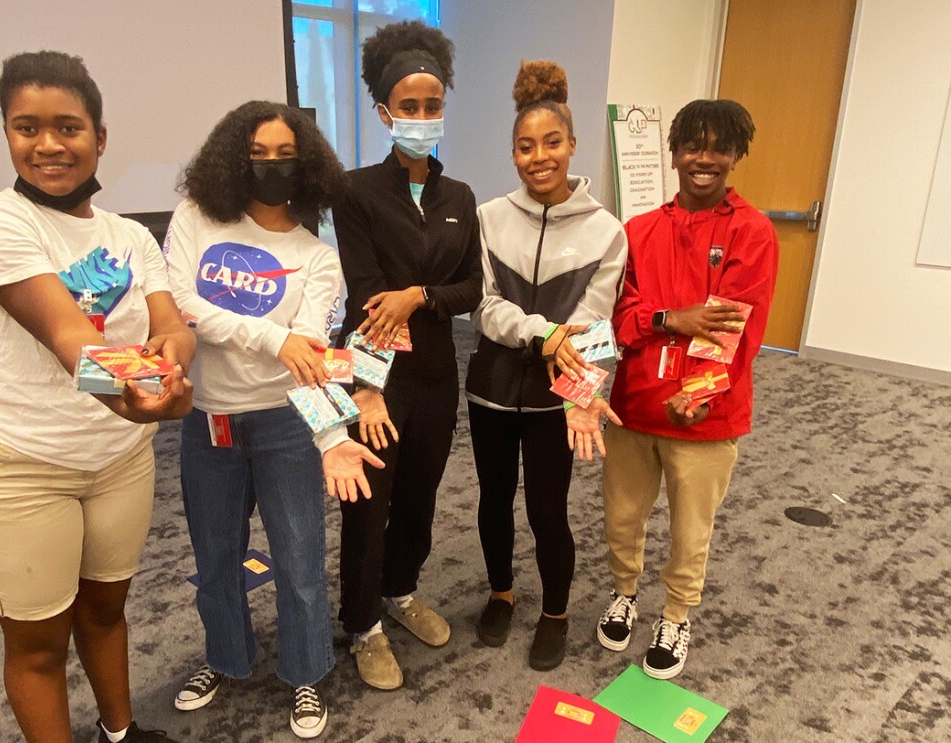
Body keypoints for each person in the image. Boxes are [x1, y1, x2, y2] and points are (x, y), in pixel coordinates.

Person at [0, 51, 193, 743]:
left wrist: (173, 364)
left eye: (68, 126)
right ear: (6, 133)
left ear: (99, 137)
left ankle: (121, 733)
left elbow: (170, 323)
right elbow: (68, 338)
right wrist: (133, 397)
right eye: (27, 127)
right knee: (39, 646)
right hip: (18, 466)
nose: (49, 144)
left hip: (118, 461)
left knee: (107, 611)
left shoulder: (130, 235)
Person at [163, 101, 383, 739]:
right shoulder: (195, 220)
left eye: (284, 155)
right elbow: (183, 306)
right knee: (216, 557)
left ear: (306, 164)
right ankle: (225, 659)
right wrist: (271, 337)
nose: (271, 166)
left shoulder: (317, 256)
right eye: (258, 155)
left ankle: (307, 672)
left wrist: (331, 436)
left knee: (298, 559)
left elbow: (309, 351)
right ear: (233, 160)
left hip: (286, 424)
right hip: (210, 423)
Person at [595, 99, 779, 679]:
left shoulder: (752, 232)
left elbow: (734, 324)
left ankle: (676, 613)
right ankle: (624, 592)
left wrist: (698, 394)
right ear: (674, 155)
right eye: (692, 146)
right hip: (635, 405)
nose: (705, 158)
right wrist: (669, 318)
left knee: (689, 526)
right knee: (622, 516)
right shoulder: (639, 230)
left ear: (736, 155)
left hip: (706, 415)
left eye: (718, 147)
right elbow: (622, 315)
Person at [332, 19, 483, 690]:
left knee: (420, 494)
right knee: (370, 502)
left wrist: (420, 293)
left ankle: (401, 587)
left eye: (433, 106)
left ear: (444, 106)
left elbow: (473, 288)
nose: (422, 117)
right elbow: (367, 296)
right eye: (409, 107)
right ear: (385, 111)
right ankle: (361, 622)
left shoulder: (460, 197)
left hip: (435, 375)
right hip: (375, 377)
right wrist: (407, 299)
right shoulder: (356, 192)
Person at [465, 60, 627, 671]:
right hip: (490, 391)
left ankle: (555, 613)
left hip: (558, 400)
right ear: (512, 153)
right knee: (493, 499)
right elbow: (482, 307)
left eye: (551, 143)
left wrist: (580, 383)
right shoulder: (488, 217)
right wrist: (543, 332)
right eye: (526, 147)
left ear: (572, 145)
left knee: (547, 509)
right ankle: (501, 592)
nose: (540, 157)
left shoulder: (606, 231)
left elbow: (595, 325)